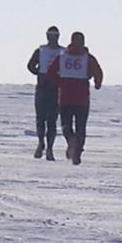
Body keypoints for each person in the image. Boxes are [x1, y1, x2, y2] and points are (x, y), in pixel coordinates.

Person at [46, 31, 103, 165]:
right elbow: (98, 72)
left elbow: (50, 74)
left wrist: (59, 82)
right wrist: (97, 83)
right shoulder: (88, 58)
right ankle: (77, 152)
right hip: (82, 98)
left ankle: (71, 140)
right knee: (81, 126)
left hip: (65, 96)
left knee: (66, 124)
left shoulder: (62, 57)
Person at [26, 26, 64, 160]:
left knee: (51, 120)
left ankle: (48, 148)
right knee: (42, 119)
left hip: (55, 89)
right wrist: (41, 73)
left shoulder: (63, 52)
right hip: (44, 87)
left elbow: (31, 66)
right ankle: (42, 144)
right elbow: (31, 66)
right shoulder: (41, 51)